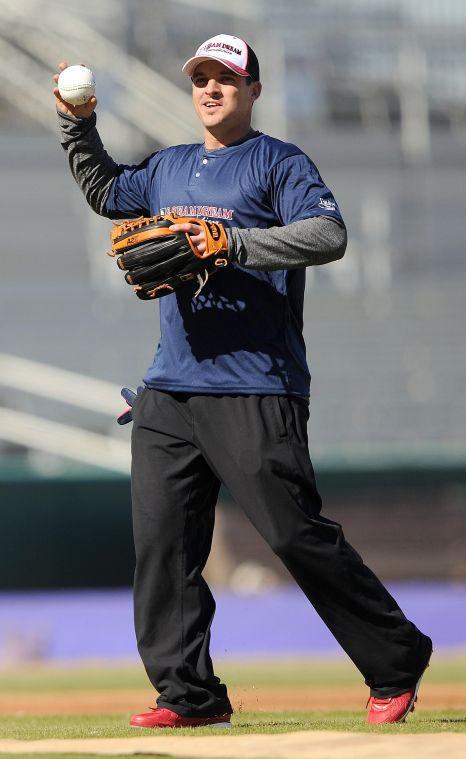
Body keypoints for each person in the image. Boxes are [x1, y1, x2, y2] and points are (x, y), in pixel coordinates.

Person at [53, 34, 432, 728]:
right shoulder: (168, 167)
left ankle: (396, 656)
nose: (210, 88)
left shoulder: (277, 163)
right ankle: (189, 693)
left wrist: (232, 243)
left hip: (257, 383)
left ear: (253, 89)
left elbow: (328, 235)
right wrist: (77, 123)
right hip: (170, 389)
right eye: (201, 78)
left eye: (226, 78)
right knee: (163, 544)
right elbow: (108, 190)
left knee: (293, 535)